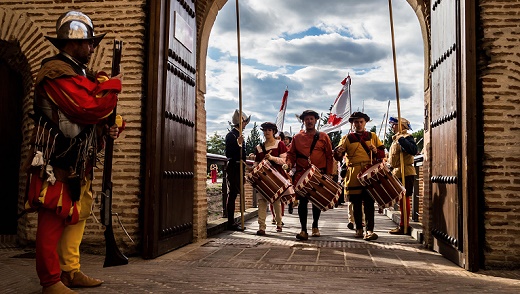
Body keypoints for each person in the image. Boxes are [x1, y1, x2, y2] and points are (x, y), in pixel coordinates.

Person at [23, 11, 123, 294]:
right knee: (53, 217)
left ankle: (70, 271)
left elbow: (94, 116)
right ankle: (50, 281)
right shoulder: (56, 71)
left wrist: (107, 128)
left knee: (76, 215)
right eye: (88, 42)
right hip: (56, 158)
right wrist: (112, 85)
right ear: (71, 42)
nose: (92, 48)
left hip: (79, 156)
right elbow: (87, 106)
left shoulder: (81, 73)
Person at [334, 112, 385, 241]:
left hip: (369, 172)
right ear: (352, 124)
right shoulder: (346, 138)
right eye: (356, 122)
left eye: (361, 121)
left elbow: (382, 154)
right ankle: (359, 229)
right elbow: (338, 156)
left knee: (369, 202)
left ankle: (370, 230)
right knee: (355, 203)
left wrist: (376, 151)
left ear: (365, 122)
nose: (358, 124)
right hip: (354, 172)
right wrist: (338, 152)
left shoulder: (372, 136)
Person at [286, 110, 333, 240]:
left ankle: (315, 225)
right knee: (302, 202)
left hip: (319, 173)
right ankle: (303, 230)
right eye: (307, 119)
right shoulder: (297, 138)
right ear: (303, 121)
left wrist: (329, 174)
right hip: (302, 173)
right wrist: (289, 163)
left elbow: (329, 156)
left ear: (316, 120)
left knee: (316, 201)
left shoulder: (323, 137)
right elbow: (291, 154)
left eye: (312, 118)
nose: (309, 121)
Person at [253, 122, 288, 235]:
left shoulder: (280, 144)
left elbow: (284, 160)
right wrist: (253, 169)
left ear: (273, 131)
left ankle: (279, 223)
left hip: (276, 177)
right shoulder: (258, 148)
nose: (267, 132)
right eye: (265, 130)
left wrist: (272, 158)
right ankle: (261, 227)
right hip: (262, 178)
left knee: (276, 201)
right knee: (261, 201)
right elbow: (256, 163)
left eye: (269, 130)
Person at [387, 117, 418, 235]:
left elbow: (413, 150)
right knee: (401, 200)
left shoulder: (406, 138)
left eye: (394, 124)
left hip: (406, 172)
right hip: (398, 172)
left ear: (401, 126)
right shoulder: (396, 139)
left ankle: (405, 225)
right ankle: (402, 224)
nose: (392, 127)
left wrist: (402, 140)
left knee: (404, 200)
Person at [225, 109, 250, 231]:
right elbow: (228, 153)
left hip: (239, 168)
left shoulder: (239, 135)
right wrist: (238, 144)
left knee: (236, 194)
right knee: (233, 194)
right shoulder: (231, 135)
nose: (245, 124)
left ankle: (234, 221)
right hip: (233, 168)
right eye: (244, 122)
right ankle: (230, 222)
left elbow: (243, 156)